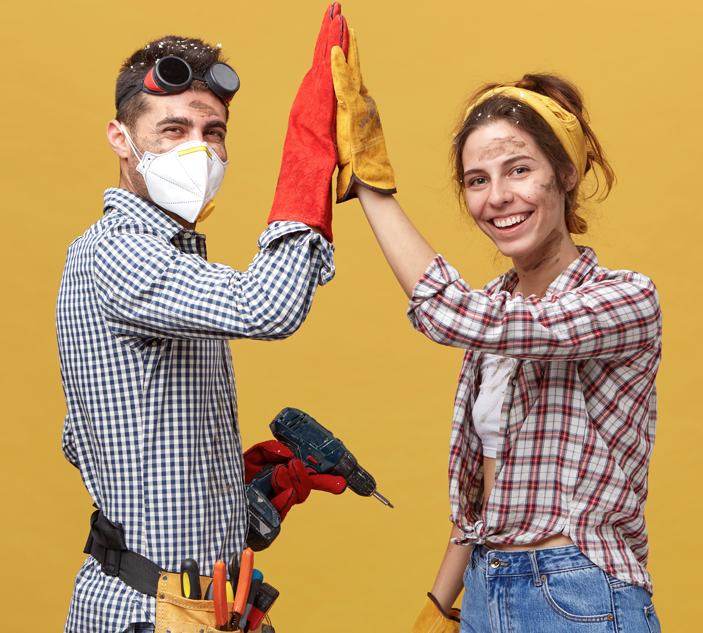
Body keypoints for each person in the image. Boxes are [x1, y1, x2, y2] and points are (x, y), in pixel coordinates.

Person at [331, 35, 662, 633]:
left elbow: (450, 313)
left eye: (519, 170)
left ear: (565, 175)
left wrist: (372, 189)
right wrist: (440, 608)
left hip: (577, 595)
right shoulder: (494, 307)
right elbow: (487, 500)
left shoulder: (626, 300)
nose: (498, 197)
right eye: (477, 180)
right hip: (487, 589)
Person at [56, 6, 348, 632]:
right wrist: (311, 155)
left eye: (213, 131)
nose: (199, 147)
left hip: (201, 603)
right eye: (173, 129)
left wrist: (226, 489)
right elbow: (268, 306)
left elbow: (84, 438)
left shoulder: (164, 257)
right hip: (150, 612)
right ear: (120, 138)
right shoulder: (120, 251)